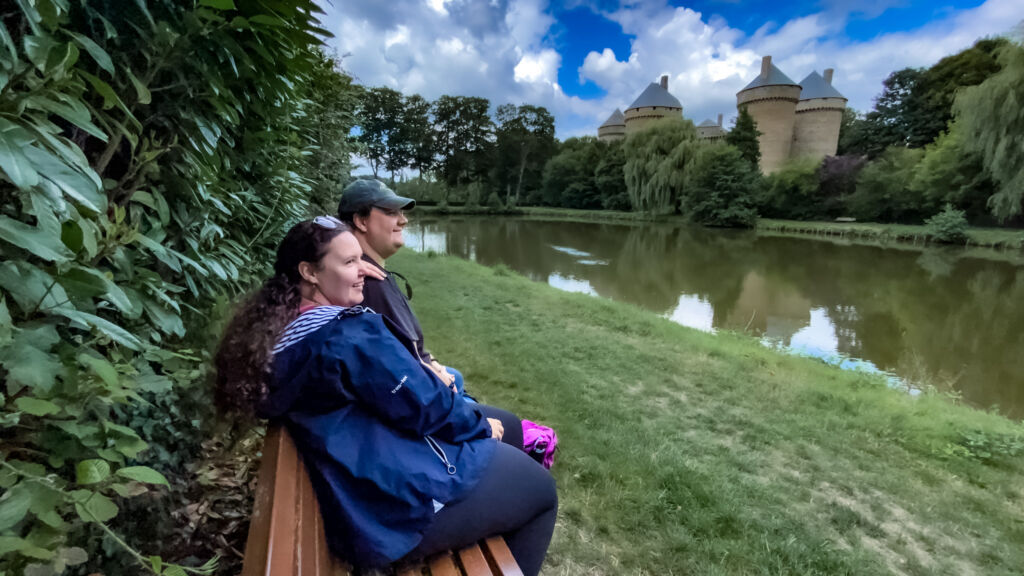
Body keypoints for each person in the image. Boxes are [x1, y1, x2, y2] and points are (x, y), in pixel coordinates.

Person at [214, 217, 556, 575]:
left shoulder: (282, 331)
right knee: (541, 491)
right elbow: (426, 405)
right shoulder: (348, 337)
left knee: (509, 427)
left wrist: (475, 422)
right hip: (390, 513)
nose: (362, 270)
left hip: (362, 483)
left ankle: (496, 509)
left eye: (361, 259)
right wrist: (481, 427)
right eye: (349, 262)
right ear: (309, 272)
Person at [337, 179, 524, 450]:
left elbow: (404, 347)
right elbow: (396, 376)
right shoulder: (366, 284)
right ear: (361, 221)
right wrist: (435, 378)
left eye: (402, 213)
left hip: (422, 393)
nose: (403, 220)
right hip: (418, 407)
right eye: (391, 212)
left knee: (457, 378)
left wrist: (431, 363)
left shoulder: (371, 273)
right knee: (511, 427)